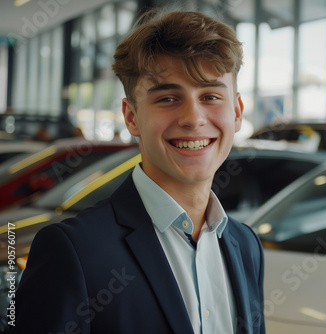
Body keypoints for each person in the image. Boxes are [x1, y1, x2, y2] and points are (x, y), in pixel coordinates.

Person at [12, 8, 265, 334]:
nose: (193, 118)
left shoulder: (246, 246)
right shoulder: (74, 250)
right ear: (131, 117)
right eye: (169, 98)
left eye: (211, 96)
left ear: (237, 111)